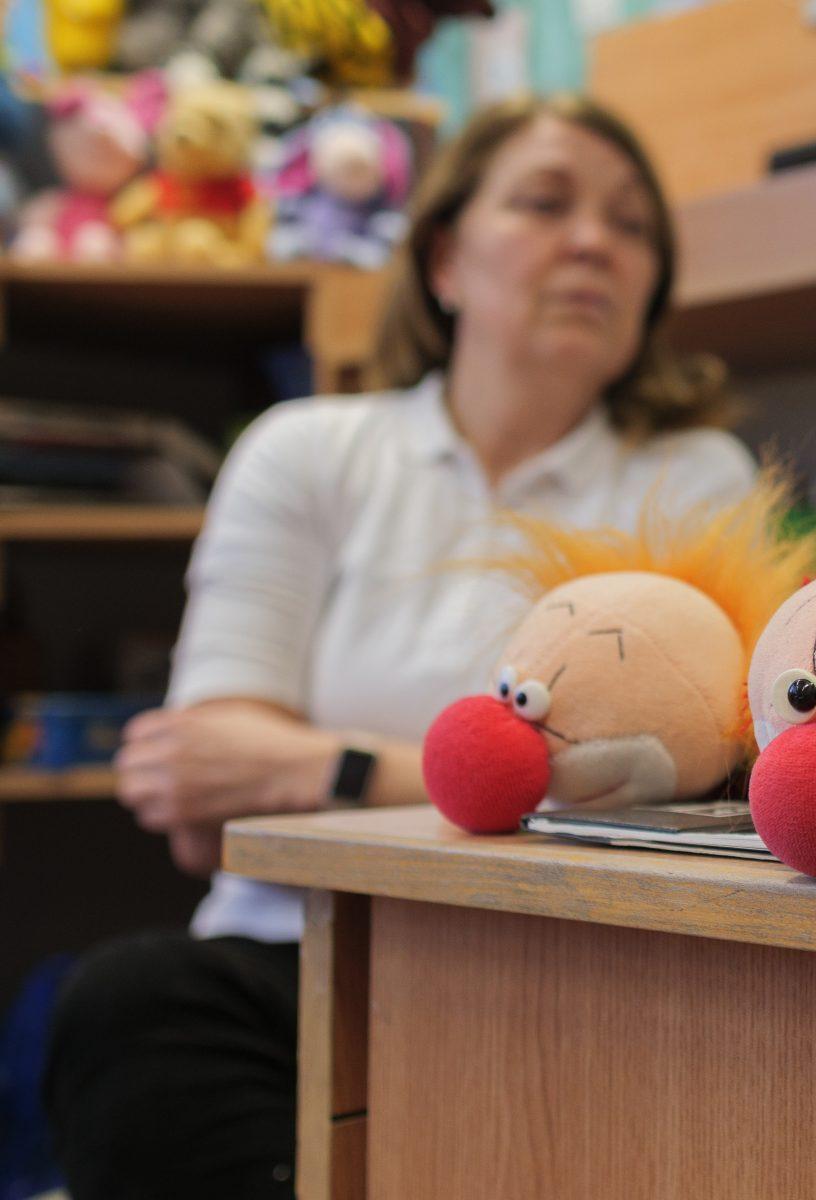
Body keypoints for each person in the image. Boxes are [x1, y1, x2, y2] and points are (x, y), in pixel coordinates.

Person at [43, 93, 756, 1200]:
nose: (593, 242)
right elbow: (200, 800)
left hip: (576, 971)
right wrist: (530, 779)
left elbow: (688, 799)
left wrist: (331, 769)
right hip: (297, 955)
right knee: (124, 1002)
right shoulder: (305, 451)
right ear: (444, 260)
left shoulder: (696, 479)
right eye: (546, 202)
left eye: (631, 225)